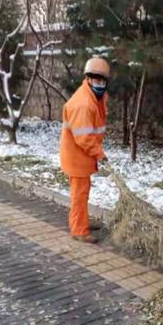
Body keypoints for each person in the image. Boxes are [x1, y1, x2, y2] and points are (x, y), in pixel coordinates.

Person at [60, 56, 110, 244]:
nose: (99, 83)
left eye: (102, 79)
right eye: (95, 78)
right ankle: (79, 230)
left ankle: (81, 222)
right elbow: (84, 138)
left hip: (82, 156)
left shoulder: (94, 97)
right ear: (88, 78)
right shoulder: (83, 103)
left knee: (82, 192)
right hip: (77, 157)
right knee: (80, 194)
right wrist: (100, 155)